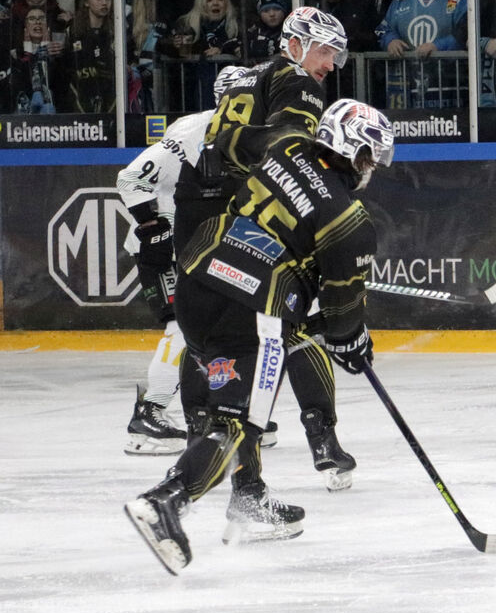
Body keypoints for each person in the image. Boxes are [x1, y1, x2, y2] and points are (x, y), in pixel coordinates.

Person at [125, 99, 394, 574]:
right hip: (251, 308)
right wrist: (354, 343)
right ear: (355, 153)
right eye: (371, 157)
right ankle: (166, 500)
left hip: (197, 276)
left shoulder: (284, 143)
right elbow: (341, 317)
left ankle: (248, 496)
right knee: (239, 422)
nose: (372, 167)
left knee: (225, 399)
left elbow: (224, 141)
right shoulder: (349, 222)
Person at [173, 7, 356, 492]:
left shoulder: (244, 79)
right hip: (242, 217)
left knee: (210, 343)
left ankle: (209, 446)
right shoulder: (298, 81)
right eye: (324, 51)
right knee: (283, 333)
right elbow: (288, 148)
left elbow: (224, 143)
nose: (330, 64)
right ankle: (312, 445)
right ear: (294, 44)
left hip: (197, 216)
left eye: (337, 55)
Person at [117, 64, 250, 455]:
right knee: (182, 328)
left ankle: (218, 410)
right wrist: (152, 228)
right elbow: (130, 178)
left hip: (199, 249)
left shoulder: (249, 135)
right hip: (164, 249)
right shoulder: (193, 132)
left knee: (217, 328)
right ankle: (149, 414)